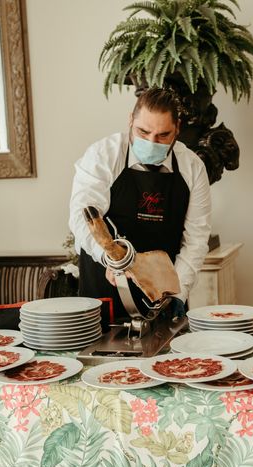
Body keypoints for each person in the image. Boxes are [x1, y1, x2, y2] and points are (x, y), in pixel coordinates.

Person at [69, 87, 211, 325]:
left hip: (163, 291)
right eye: (143, 132)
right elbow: (82, 218)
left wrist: (178, 293)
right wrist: (111, 259)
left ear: (177, 128)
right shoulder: (103, 155)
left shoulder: (192, 167)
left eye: (163, 135)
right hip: (105, 289)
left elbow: (196, 239)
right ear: (130, 120)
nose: (151, 142)